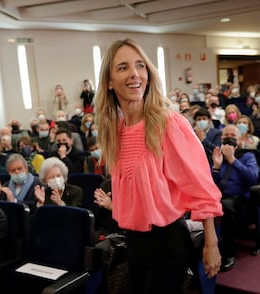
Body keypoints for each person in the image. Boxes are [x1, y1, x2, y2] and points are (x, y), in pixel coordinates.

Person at [94, 38, 223, 293]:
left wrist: (211, 242)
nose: (135, 74)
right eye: (123, 68)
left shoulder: (168, 124)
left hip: (167, 242)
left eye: (140, 66)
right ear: (109, 82)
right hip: (133, 241)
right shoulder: (115, 131)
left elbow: (200, 185)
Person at [212, 124, 259, 271]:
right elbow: (210, 183)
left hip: (242, 203)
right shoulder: (217, 155)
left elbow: (253, 178)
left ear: (239, 140)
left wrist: (233, 160)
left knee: (225, 205)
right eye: (226, 136)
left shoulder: (247, 156)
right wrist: (216, 168)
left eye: (233, 136)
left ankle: (229, 254)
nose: (229, 139)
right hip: (220, 199)